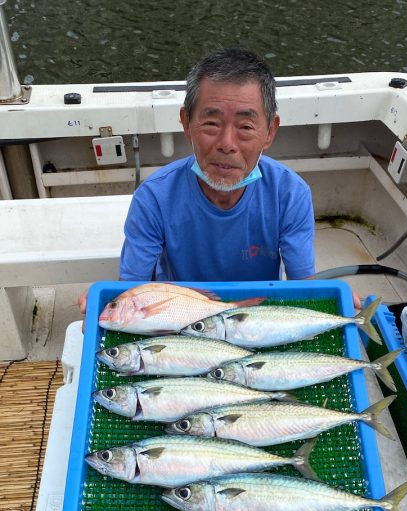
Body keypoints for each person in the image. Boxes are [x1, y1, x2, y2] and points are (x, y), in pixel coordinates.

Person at [79, 47, 360, 313]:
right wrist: (111, 301)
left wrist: (330, 300)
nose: (227, 144)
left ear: (270, 132)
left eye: (245, 127)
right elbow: (132, 289)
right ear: (186, 123)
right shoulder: (153, 198)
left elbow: (303, 288)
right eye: (212, 123)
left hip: (256, 315)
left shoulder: (289, 194)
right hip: (178, 314)